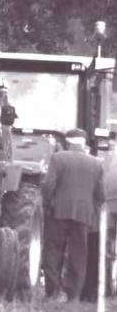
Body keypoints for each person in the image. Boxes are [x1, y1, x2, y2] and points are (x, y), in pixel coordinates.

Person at [42, 128, 106, 301]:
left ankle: (52, 292)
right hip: (83, 214)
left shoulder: (58, 158)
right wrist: (92, 210)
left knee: (54, 250)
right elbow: (100, 194)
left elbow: (48, 186)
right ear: (83, 143)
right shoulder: (96, 163)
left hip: (58, 211)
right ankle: (74, 295)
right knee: (78, 253)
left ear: (67, 143)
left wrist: (49, 204)